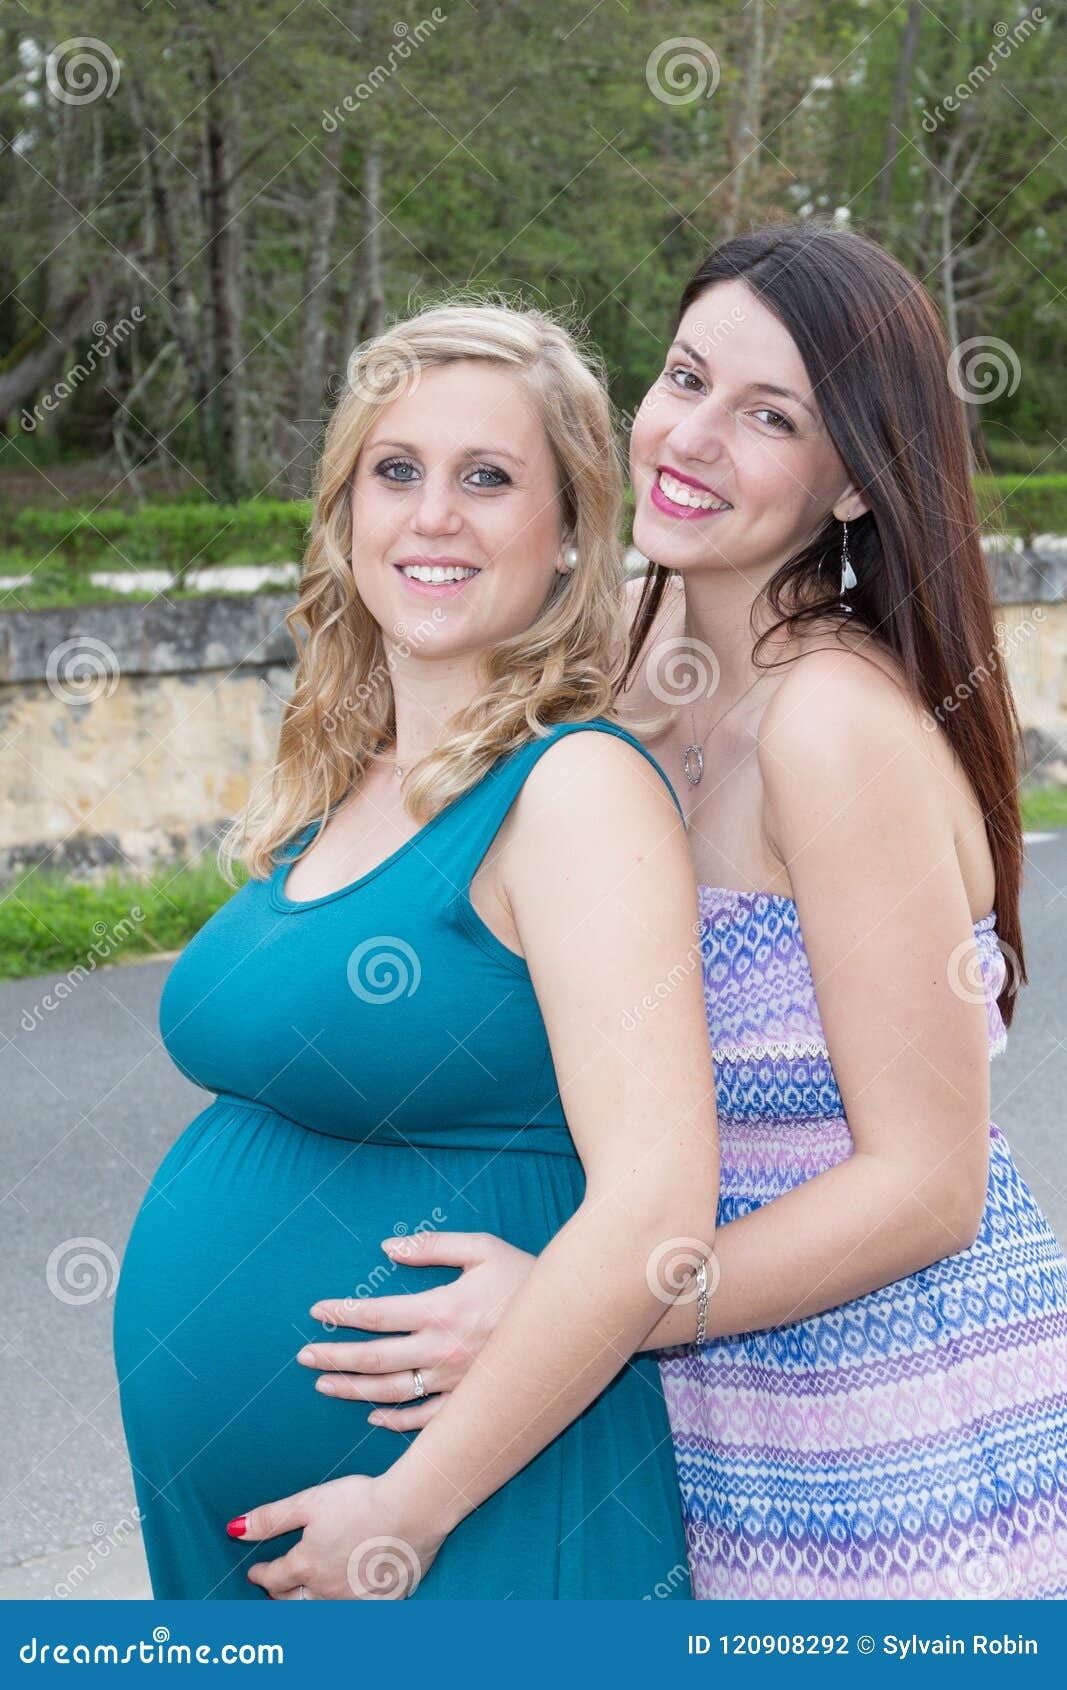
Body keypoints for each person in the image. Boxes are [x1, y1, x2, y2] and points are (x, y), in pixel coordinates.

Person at [304, 225, 1067, 1601]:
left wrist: (577, 1309)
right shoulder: (613, 678)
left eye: (769, 415)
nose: (693, 436)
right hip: (704, 1421)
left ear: (851, 483)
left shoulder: (832, 726)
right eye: (685, 377)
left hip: (896, 1439)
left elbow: (928, 1185)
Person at [112, 300, 719, 1600]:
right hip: (276, 1542)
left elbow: (660, 1206)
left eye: (488, 477)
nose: (432, 514)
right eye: (398, 470)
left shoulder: (574, 788)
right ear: (345, 512)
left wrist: (408, 1508)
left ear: (567, 539)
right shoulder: (344, 778)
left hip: (464, 1516)